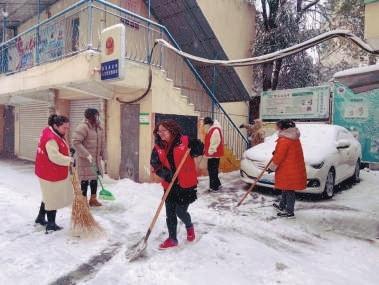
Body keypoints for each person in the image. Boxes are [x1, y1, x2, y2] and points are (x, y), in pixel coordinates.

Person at [150, 120, 204, 249]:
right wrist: (167, 175)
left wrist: (199, 147)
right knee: (170, 214)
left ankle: (189, 226)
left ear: (172, 130)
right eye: (159, 131)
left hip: (186, 184)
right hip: (169, 185)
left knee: (180, 211)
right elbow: (155, 164)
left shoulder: (185, 141)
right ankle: (172, 239)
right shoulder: (158, 147)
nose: (160, 133)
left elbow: (199, 151)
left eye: (164, 130)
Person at [35, 114, 74, 232]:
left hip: (47, 170)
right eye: (64, 128)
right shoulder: (51, 138)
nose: (66, 130)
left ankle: (40, 218)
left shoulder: (54, 132)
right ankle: (51, 224)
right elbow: (54, 157)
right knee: (52, 198)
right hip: (49, 172)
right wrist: (69, 160)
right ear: (56, 126)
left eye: (68, 128)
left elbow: (59, 148)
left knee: (48, 196)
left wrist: (68, 151)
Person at [268, 119, 306, 218]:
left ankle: (289, 212)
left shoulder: (285, 139)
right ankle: (282, 206)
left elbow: (279, 157)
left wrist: (272, 168)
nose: (277, 129)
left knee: (289, 190)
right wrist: (276, 151)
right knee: (286, 188)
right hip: (291, 167)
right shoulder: (292, 137)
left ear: (284, 128)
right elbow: (286, 152)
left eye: (278, 127)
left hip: (288, 169)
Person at [72, 108, 106, 207]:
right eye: (95, 116)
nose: (97, 117)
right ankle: (83, 202)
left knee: (94, 179)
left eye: (97, 115)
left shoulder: (99, 127)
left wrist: (104, 156)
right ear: (89, 117)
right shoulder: (83, 127)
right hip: (85, 159)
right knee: (85, 180)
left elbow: (103, 143)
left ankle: (93, 199)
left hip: (95, 159)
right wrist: (86, 154)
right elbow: (76, 142)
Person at [203, 117, 224, 192]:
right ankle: (217, 184)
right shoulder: (212, 129)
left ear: (208, 123)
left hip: (214, 154)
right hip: (213, 154)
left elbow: (215, 142)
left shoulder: (215, 130)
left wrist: (210, 151)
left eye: (205, 124)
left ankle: (214, 187)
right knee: (212, 170)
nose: (204, 126)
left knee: (212, 170)